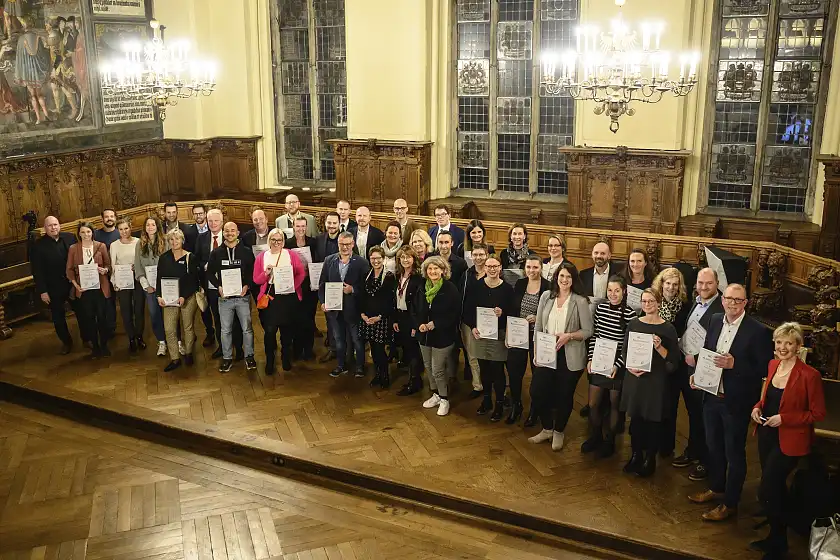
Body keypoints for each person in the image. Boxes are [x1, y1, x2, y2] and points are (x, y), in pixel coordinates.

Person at [688, 283, 774, 522]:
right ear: (722, 299)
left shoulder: (757, 331)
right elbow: (708, 352)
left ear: (745, 303)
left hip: (735, 402)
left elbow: (764, 370)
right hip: (711, 396)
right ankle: (716, 488)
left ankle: (730, 503)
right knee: (713, 447)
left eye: (738, 300)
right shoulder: (715, 319)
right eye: (728, 299)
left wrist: (735, 365)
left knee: (734, 453)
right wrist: (698, 376)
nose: (732, 303)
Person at [750, 322, 826, 559]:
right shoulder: (773, 364)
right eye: (779, 342)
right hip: (766, 435)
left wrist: (785, 419)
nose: (783, 347)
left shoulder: (809, 375)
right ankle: (776, 539)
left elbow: (818, 413)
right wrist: (756, 408)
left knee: (767, 491)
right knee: (774, 490)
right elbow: (766, 398)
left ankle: (791, 528)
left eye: (789, 343)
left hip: (790, 441)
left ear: (798, 346)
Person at [528, 263, 593, 451]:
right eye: (562, 276)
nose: (564, 280)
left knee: (563, 395)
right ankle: (547, 428)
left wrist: (569, 336)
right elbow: (538, 326)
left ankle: (559, 431)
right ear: (557, 277)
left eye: (569, 277)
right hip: (547, 352)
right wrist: (536, 350)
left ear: (574, 280)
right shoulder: (546, 297)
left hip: (569, 355)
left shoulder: (580, 301)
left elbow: (588, 331)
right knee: (537, 391)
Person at [621, 289, 680, 477]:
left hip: (656, 380)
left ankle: (650, 458)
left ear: (659, 302)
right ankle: (636, 454)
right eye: (644, 301)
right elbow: (624, 351)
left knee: (653, 421)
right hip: (636, 378)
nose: (647, 305)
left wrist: (659, 347)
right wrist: (630, 368)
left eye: (651, 301)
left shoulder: (668, 328)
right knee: (636, 419)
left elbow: (673, 361)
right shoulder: (634, 324)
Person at [673, 267, 724, 481]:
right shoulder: (697, 301)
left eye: (708, 284)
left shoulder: (721, 308)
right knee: (693, 414)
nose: (703, 287)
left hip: (704, 370)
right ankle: (693, 451)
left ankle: (705, 461)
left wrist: (698, 358)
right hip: (687, 366)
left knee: (705, 418)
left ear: (717, 284)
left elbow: (721, 344)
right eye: (700, 283)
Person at [581, 275, 636, 457]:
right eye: (610, 290)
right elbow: (595, 336)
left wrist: (617, 365)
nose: (613, 294)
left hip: (616, 365)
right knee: (593, 403)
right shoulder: (601, 308)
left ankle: (610, 440)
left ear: (624, 292)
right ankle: (595, 435)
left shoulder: (629, 314)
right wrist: (590, 359)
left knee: (614, 404)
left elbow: (628, 346)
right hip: (598, 360)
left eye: (617, 290)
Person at [465, 256, 514, 421]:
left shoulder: (507, 289)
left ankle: (499, 403)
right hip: (480, 335)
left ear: (500, 268)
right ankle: (487, 401)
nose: (492, 269)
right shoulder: (475, 286)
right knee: (484, 369)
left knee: (498, 371)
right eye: (489, 266)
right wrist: (472, 327)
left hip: (498, 335)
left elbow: (513, 312)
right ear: (484, 268)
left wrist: (503, 313)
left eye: (495, 266)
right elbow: (467, 310)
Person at [412, 255, 460, 417]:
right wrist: (418, 324)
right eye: (430, 269)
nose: (433, 271)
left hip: (443, 336)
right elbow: (415, 309)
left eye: (436, 268)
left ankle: (445, 399)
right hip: (424, 335)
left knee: (438, 369)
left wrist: (435, 324)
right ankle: (436, 394)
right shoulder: (422, 287)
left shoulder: (450, 288)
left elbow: (454, 314)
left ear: (443, 270)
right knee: (429, 366)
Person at [254, 228, 307, 374]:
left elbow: (301, 273)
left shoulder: (291, 255)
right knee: (269, 332)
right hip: (271, 298)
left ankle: (285, 358)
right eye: (273, 239)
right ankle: (270, 361)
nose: (276, 242)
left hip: (288, 298)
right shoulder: (261, 257)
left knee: (287, 332)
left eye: (279, 240)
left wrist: (292, 286)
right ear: (268, 241)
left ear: (283, 241)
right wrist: (266, 273)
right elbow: (256, 279)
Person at [207, 222, 257, 373]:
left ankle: (249, 356)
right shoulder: (216, 253)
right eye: (226, 231)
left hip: (242, 297)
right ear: (223, 233)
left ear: (238, 232)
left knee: (247, 329)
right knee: (225, 330)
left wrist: (247, 285)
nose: (229, 233)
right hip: (225, 298)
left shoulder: (247, 251)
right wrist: (219, 287)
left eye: (232, 230)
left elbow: (252, 272)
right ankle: (227, 358)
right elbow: (209, 273)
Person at [319, 231, 370, 378]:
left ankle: (360, 366)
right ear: (338, 244)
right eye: (342, 244)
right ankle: (341, 365)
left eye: (348, 244)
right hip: (334, 310)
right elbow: (322, 284)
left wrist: (352, 289)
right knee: (339, 340)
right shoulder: (329, 260)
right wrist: (323, 302)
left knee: (357, 340)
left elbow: (366, 287)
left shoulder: (362, 262)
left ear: (353, 244)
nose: (345, 247)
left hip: (353, 309)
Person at [652, 267, 691, 458]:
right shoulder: (654, 302)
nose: (671, 287)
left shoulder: (684, 305)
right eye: (668, 283)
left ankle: (667, 446)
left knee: (671, 403)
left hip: (675, 359)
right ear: (661, 283)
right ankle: (653, 441)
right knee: (655, 401)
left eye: (675, 284)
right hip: (655, 358)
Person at [507, 255, 550, 425]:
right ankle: (516, 405)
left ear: (541, 268)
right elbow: (512, 309)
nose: (532, 271)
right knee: (514, 371)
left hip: (537, 336)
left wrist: (537, 317)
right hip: (519, 334)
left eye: (535, 267)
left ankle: (535, 409)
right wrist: (509, 333)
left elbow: (552, 313)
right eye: (529, 267)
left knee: (537, 374)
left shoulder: (548, 286)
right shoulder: (519, 283)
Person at [196, 209, 243, 359]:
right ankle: (223, 347)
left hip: (231, 284)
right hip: (211, 285)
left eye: (216, 221)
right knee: (217, 317)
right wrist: (207, 266)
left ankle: (238, 347)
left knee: (234, 318)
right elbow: (197, 260)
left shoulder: (230, 235)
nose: (213, 224)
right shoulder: (201, 238)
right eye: (210, 221)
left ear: (222, 222)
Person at [31, 215, 78, 354]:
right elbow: (37, 270)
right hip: (53, 287)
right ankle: (66, 342)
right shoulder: (38, 246)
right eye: (50, 225)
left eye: (55, 224)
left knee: (82, 312)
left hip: (73, 284)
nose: (53, 227)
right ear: (45, 228)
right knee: (58, 317)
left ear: (59, 225)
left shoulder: (70, 238)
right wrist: (42, 291)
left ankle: (87, 338)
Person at [156, 228, 200, 372]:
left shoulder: (190, 257)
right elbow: (159, 279)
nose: (174, 242)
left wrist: (184, 296)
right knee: (169, 329)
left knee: (187, 327)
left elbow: (194, 280)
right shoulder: (164, 258)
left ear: (182, 240)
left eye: (177, 239)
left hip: (187, 297)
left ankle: (188, 353)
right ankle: (174, 358)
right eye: (171, 240)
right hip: (169, 299)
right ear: (168, 242)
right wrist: (159, 295)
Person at [66, 221, 112, 359]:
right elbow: (69, 270)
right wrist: (76, 285)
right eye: (83, 232)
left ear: (92, 232)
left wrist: (105, 270)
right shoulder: (73, 248)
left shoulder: (101, 246)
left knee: (102, 318)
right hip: (84, 289)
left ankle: (104, 345)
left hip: (100, 288)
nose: (86, 235)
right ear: (78, 234)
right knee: (89, 320)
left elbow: (108, 265)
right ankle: (95, 348)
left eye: (88, 232)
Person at [360, 246, 397, 388]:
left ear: (383, 259)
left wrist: (380, 317)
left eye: (378, 258)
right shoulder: (366, 275)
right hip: (367, 319)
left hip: (381, 319)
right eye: (373, 258)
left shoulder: (388, 276)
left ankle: (385, 376)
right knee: (373, 350)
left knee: (380, 350)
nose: (375, 261)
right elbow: (363, 296)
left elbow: (390, 300)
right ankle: (377, 375)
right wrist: (363, 314)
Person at [285, 216, 319, 361]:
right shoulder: (288, 243)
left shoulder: (313, 242)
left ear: (306, 227)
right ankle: (297, 349)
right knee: (296, 319)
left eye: (303, 226)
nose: (300, 229)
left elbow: (317, 262)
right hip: (294, 286)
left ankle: (308, 349)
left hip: (310, 287)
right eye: (298, 226)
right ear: (293, 227)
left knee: (309, 319)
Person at [135, 216, 169, 357]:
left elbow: (170, 262)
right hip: (149, 287)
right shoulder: (139, 244)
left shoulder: (165, 241)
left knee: (169, 314)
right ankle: (161, 342)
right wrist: (146, 285)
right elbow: (138, 266)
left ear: (157, 226)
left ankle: (176, 341)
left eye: (153, 224)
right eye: (147, 225)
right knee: (155, 315)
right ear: (145, 228)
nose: (150, 227)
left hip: (166, 285)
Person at [460, 243, 490, 399]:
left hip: (488, 322)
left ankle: (492, 385)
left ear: (487, 255)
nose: (478, 258)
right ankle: (478, 386)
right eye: (475, 255)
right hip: (469, 321)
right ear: (471, 256)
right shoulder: (467, 274)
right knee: (472, 355)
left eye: (481, 255)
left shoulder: (493, 272)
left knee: (489, 355)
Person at [394, 246, 425, 396]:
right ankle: (412, 379)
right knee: (406, 348)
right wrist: (395, 319)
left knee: (414, 351)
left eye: (408, 257)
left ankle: (415, 381)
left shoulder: (418, 278)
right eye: (402, 257)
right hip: (400, 316)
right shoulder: (397, 275)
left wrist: (416, 325)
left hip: (412, 318)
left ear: (414, 259)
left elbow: (419, 304)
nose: (405, 260)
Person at [110, 218, 144, 352]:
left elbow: (142, 260)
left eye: (126, 228)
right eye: (121, 229)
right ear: (118, 231)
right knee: (126, 311)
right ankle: (131, 338)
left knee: (139, 309)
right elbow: (113, 265)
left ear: (131, 228)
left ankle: (140, 336)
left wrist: (137, 267)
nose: (124, 232)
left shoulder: (138, 242)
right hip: (122, 281)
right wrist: (114, 282)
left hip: (137, 280)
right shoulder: (114, 245)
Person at [95, 208, 119, 334]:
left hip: (120, 273)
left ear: (115, 218)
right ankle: (109, 328)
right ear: (102, 219)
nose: (109, 218)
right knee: (107, 301)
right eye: (106, 216)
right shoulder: (96, 235)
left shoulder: (120, 233)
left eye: (112, 216)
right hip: (102, 274)